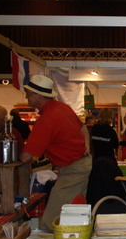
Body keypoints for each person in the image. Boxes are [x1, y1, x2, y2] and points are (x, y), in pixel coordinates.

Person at [19, 74, 92, 230]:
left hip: (72, 169)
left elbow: (25, 157)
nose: (26, 97)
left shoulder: (47, 119)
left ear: (38, 96)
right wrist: (86, 147)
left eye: (29, 94)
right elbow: (84, 128)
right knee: (74, 212)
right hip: (80, 165)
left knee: (52, 218)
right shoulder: (62, 108)